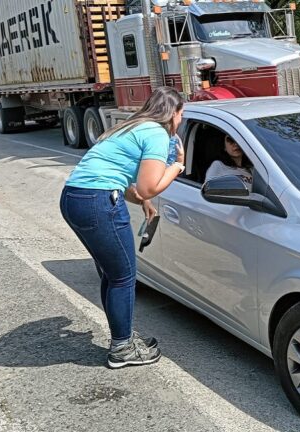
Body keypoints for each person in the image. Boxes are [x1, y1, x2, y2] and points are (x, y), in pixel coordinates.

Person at [60, 86, 186, 369]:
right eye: (181, 114)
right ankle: (121, 349)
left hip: (74, 197)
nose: (181, 120)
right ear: (172, 114)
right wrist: (178, 166)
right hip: (97, 202)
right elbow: (150, 184)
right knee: (123, 277)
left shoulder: (131, 127)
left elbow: (125, 179)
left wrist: (141, 200)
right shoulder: (156, 133)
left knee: (112, 273)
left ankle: (123, 338)